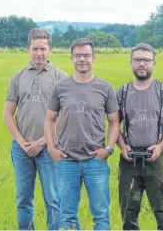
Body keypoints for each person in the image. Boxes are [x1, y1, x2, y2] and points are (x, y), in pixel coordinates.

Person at [43, 38, 120, 230]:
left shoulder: (105, 87)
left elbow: (114, 122)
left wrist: (108, 149)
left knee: (101, 215)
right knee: (67, 216)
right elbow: (49, 119)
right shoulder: (60, 87)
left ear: (94, 58)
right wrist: (52, 148)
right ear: (72, 58)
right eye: (78, 55)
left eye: (86, 55)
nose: (82, 59)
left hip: (96, 161)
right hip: (66, 160)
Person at [3, 28, 67, 230]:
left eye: (43, 49)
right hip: (21, 149)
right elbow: (7, 114)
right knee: (23, 199)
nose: (39, 53)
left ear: (50, 50)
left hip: (49, 149)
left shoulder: (61, 78)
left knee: (53, 198)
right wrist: (23, 142)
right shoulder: (18, 77)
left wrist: (42, 142)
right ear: (28, 49)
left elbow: (64, 117)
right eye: (35, 49)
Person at [115, 43, 163, 230]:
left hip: (156, 160)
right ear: (131, 63)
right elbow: (114, 124)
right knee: (128, 214)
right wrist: (122, 146)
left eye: (146, 60)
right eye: (137, 60)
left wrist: (160, 147)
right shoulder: (122, 92)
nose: (142, 64)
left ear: (154, 64)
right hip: (129, 160)